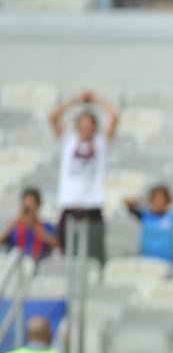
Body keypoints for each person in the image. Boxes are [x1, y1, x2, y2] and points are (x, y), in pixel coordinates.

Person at [51, 90, 119, 265]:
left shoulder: (101, 143)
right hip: (70, 205)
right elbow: (53, 116)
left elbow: (114, 115)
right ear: (77, 127)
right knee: (66, 254)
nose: (86, 130)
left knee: (95, 255)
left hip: (92, 205)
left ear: (95, 128)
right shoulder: (68, 141)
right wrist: (76, 100)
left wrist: (95, 100)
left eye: (90, 127)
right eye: (83, 127)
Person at [124, 185, 173, 265]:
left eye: (162, 199)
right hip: (146, 262)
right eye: (156, 199)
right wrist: (147, 199)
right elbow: (126, 200)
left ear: (167, 200)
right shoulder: (144, 215)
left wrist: (172, 198)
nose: (159, 201)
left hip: (166, 263)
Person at [1, 189, 59, 262]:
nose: (28, 205)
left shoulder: (46, 226)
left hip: (39, 262)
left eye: (32, 202)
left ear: (38, 205)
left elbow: (56, 244)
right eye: (26, 201)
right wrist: (16, 221)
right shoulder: (14, 226)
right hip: (17, 262)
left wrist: (33, 226)